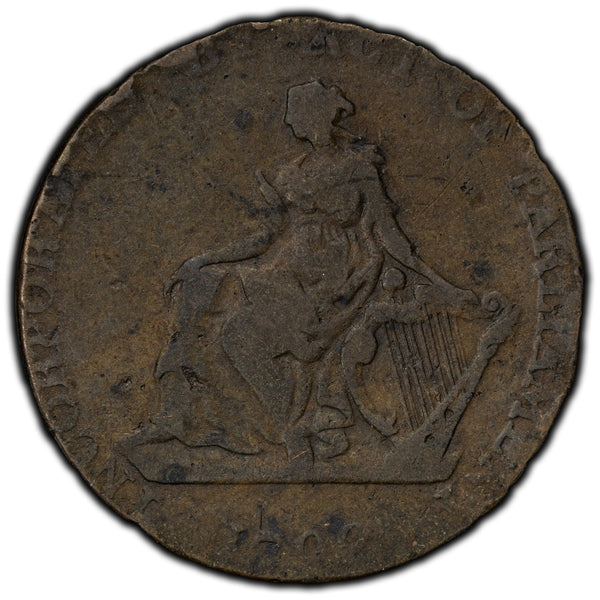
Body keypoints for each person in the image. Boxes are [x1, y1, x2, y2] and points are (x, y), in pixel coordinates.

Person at [147, 81, 480, 460]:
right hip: (288, 270)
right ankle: (208, 417)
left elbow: (390, 235)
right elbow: (267, 236)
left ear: (315, 117)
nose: (290, 124)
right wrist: (205, 260)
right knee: (208, 295)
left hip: (336, 279)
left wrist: (440, 283)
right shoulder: (292, 173)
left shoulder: (359, 167)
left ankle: (293, 429)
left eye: (296, 115)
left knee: (237, 331)